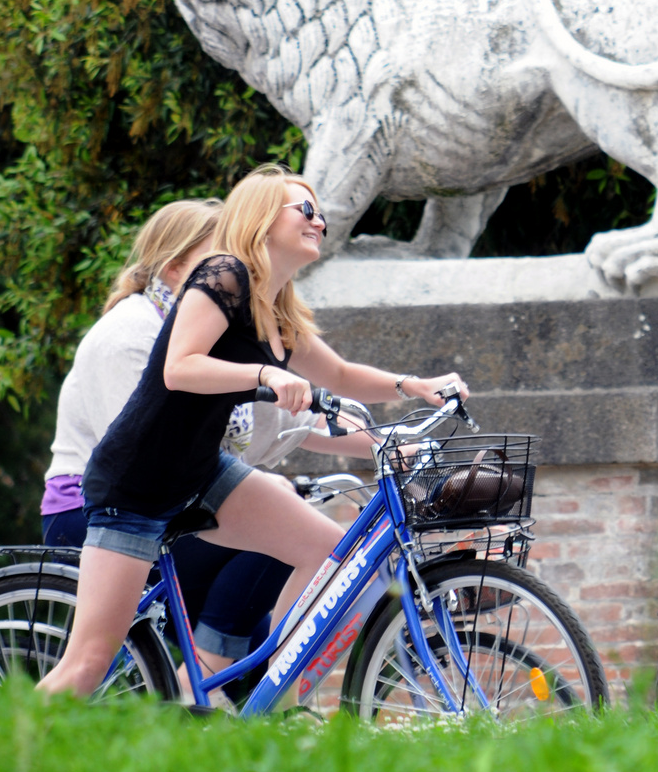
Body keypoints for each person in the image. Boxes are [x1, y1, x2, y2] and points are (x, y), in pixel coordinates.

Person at [36, 164, 465, 699]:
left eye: (321, 213)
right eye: (304, 210)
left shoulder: (278, 305)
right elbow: (180, 368)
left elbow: (340, 375)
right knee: (88, 664)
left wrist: (414, 385)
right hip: (137, 484)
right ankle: (7, 762)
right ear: (262, 218)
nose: (319, 221)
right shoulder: (223, 276)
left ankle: (269, 688)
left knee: (329, 552)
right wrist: (263, 375)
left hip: (202, 472)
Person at [38, 198, 293, 676]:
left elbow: (279, 426)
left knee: (255, 653)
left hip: (176, 492)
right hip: (90, 510)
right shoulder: (128, 334)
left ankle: (218, 689)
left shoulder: (214, 336)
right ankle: (204, 675)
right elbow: (144, 450)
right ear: (175, 267)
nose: (231, 273)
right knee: (266, 546)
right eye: (216, 260)